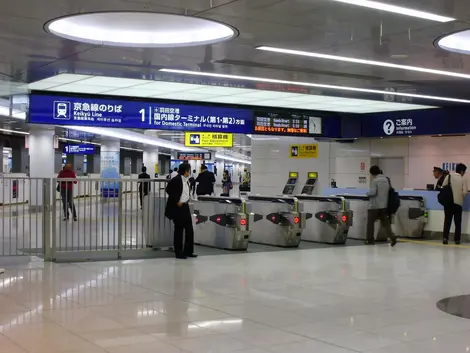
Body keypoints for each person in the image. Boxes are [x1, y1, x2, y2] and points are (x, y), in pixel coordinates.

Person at [165, 163, 197, 259]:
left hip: (185, 206)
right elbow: (168, 189)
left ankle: (188, 251)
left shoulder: (187, 180)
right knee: (179, 230)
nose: (189, 172)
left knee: (189, 229)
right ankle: (178, 252)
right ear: (185, 171)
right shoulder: (177, 179)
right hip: (178, 207)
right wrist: (177, 201)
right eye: (188, 170)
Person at [365, 166, 397, 246]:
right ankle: (392, 237)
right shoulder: (386, 180)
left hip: (374, 206)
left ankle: (370, 240)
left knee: (370, 223)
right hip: (384, 206)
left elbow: (373, 192)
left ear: (372, 173)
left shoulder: (375, 181)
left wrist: (367, 194)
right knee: (385, 224)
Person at [442, 163, 468, 245]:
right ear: (462, 171)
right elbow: (465, 192)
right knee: (457, 222)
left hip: (448, 203)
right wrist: (461, 197)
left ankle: (445, 238)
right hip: (458, 204)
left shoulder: (449, 176)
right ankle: (457, 240)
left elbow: (443, 186)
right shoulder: (463, 179)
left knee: (447, 221)